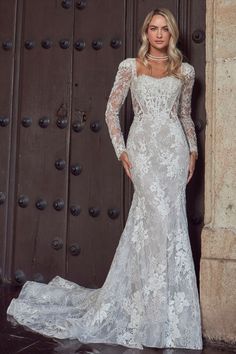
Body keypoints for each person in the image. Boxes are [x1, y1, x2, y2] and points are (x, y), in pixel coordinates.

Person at [6, 8, 203, 351]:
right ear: (146, 33)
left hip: (173, 153)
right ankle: (141, 310)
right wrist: (122, 151)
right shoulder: (130, 66)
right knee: (150, 223)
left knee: (172, 225)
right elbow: (111, 111)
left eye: (164, 30)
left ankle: (166, 316)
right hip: (142, 153)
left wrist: (193, 152)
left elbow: (184, 115)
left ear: (172, 35)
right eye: (153, 29)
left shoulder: (185, 72)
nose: (159, 35)